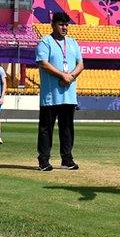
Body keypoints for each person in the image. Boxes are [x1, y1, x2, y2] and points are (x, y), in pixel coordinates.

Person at [35, 12, 84, 171]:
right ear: (53, 25)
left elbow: (81, 64)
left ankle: (67, 159)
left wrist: (70, 76)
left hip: (68, 94)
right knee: (46, 128)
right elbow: (43, 63)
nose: (64, 27)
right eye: (61, 24)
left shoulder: (72, 42)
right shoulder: (45, 42)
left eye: (66, 24)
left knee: (67, 128)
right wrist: (62, 75)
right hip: (50, 96)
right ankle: (43, 160)